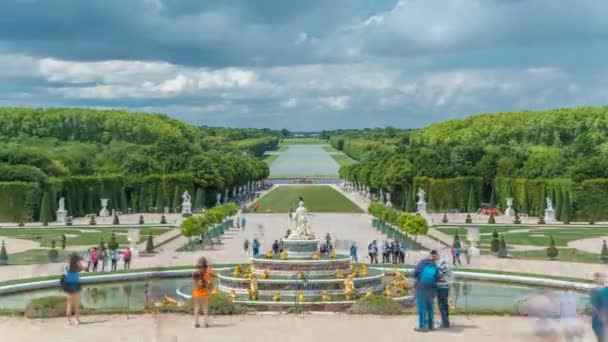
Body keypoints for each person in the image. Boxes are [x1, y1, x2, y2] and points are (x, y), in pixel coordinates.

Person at [413, 250, 439, 331]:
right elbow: (437, 277)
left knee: (422, 307)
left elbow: (415, 274)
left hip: (421, 287)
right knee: (430, 307)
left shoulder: (421, 264)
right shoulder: (435, 266)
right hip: (431, 287)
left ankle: (422, 326)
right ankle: (431, 325)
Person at [62, 253, 85, 325]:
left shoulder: (67, 267)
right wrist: (81, 260)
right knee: (76, 304)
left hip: (69, 286)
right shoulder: (77, 267)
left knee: (69, 304)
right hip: (76, 285)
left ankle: (69, 321)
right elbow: (85, 267)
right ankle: (77, 320)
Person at [192, 257, 212, 328]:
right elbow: (208, 284)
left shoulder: (195, 273)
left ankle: (196, 323)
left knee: (197, 308)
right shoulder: (207, 273)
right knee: (205, 309)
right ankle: (205, 323)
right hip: (204, 294)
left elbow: (195, 283)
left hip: (196, 293)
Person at [436, 255, 454, 328]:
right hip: (445, 287)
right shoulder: (447, 266)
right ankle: (445, 321)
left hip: (441, 287)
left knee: (442, 305)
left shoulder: (442, 266)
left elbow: (439, 276)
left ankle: (445, 323)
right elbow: (452, 276)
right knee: (444, 305)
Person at [591, 273, 608, 342]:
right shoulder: (593, 291)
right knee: (600, 336)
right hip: (598, 318)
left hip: (603, 317)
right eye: (598, 278)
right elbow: (593, 305)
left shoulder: (606, 290)